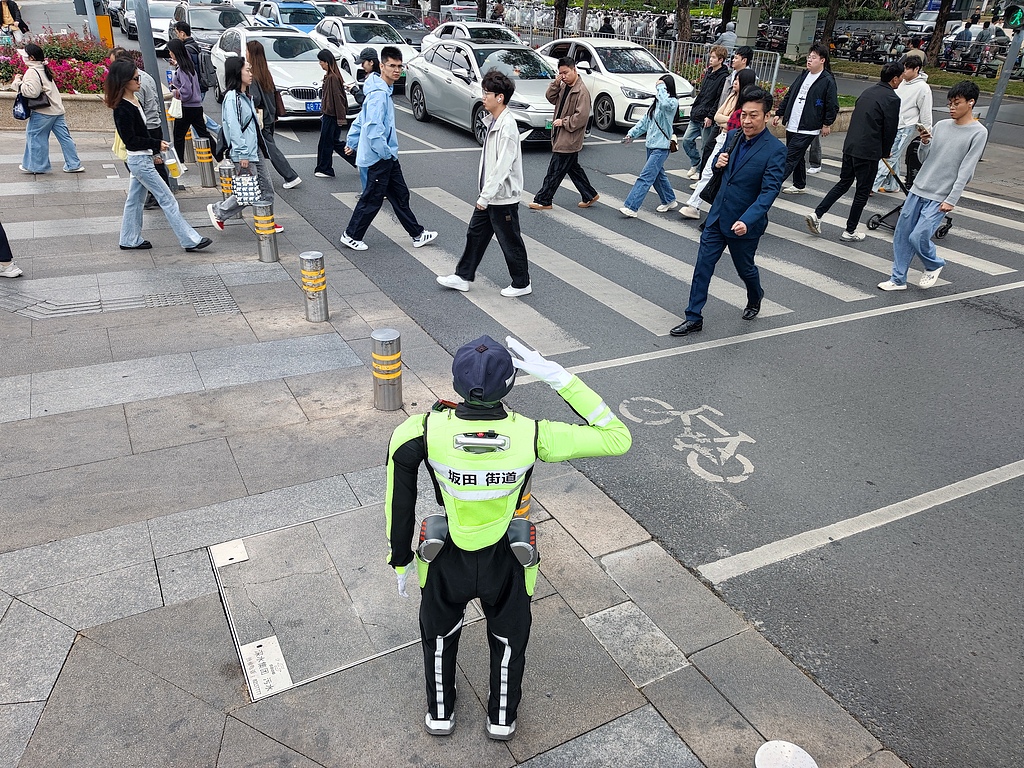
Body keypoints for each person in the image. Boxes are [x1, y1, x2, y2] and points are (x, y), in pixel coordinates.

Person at [384, 333, 631, 740]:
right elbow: (617, 437)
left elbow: (400, 498)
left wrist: (400, 558)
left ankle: (440, 713)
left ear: (456, 383)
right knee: (509, 642)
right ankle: (501, 719)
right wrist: (559, 378)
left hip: (446, 557)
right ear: (510, 384)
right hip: (507, 559)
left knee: (439, 638)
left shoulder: (420, 430)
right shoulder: (533, 433)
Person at [670, 88, 785, 336]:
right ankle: (693, 317)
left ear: (766, 116)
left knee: (745, 269)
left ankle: (755, 295)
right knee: (702, 267)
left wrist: (747, 220)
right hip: (717, 217)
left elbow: (769, 192)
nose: (747, 121)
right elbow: (718, 169)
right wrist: (717, 163)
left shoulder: (775, 150)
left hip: (743, 224)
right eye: (743, 115)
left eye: (753, 115)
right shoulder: (733, 136)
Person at [879, 81, 986, 291]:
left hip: (940, 195)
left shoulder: (978, 132)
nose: (952, 107)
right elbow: (923, 159)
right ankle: (898, 279)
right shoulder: (941, 126)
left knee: (918, 236)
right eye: (950, 103)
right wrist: (925, 142)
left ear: (971, 102)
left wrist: (951, 199)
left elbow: (966, 170)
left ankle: (934, 263)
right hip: (919, 188)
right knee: (902, 235)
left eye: (957, 103)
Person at [436, 70, 531, 297]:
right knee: (475, 235)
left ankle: (522, 283)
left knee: (510, 241)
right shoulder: (494, 121)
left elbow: (502, 167)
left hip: (501, 197)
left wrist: (485, 196)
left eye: (487, 93)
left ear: (500, 97)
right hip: (491, 195)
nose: (483, 97)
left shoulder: (507, 127)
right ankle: (462, 276)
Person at [104, 60, 212, 252]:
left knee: (134, 201)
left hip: (142, 159)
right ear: (124, 81)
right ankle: (189, 240)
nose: (139, 81)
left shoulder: (134, 101)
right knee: (167, 199)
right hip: (139, 161)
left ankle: (129, 239)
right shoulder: (122, 108)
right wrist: (156, 145)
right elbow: (131, 140)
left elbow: (140, 134)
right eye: (136, 78)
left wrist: (154, 151)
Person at [339, 46, 437, 252]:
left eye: (399, 66)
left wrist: (352, 141)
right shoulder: (378, 95)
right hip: (379, 156)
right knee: (372, 199)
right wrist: (384, 153)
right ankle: (351, 235)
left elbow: (360, 119)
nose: (396, 70)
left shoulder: (382, 91)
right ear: (382, 66)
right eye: (392, 66)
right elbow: (372, 128)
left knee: (400, 195)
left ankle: (417, 234)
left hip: (387, 155)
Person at [805, 63, 902, 242]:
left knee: (844, 183)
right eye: (900, 77)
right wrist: (886, 151)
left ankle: (817, 214)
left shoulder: (867, 92)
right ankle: (850, 230)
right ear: (895, 79)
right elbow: (890, 128)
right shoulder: (892, 98)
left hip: (851, 146)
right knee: (862, 192)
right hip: (869, 150)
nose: (901, 80)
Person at [206, 57, 281, 233]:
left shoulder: (245, 97)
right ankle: (219, 211)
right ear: (237, 73)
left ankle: (266, 220)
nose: (251, 73)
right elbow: (233, 127)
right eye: (247, 70)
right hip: (245, 153)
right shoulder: (233, 98)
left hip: (254, 150)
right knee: (249, 191)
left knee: (266, 188)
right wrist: (242, 154)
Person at [679, 71, 756, 220]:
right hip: (722, 137)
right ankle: (694, 205)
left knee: (722, 176)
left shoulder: (747, 103)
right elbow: (717, 117)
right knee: (709, 172)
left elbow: (736, 124)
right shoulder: (732, 96)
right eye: (735, 79)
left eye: (738, 80)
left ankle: (697, 206)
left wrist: (725, 120)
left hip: (734, 140)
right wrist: (726, 120)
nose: (734, 82)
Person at [528, 58, 598, 211]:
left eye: (566, 73)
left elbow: (581, 117)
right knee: (573, 168)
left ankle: (544, 199)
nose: (563, 76)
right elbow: (550, 97)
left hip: (569, 137)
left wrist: (563, 122)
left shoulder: (581, 91)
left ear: (574, 70)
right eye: (561, 73)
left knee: (555, 170)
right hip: (561, 134)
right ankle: (589, 194)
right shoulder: (564, 86)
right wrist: (556, 82)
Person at [773, 44, 838, 195]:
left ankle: (770, 186)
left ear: (822, 60)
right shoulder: (804, 75)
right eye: (809, 57)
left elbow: (832, 104)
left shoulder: (827, 80)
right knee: (798, 156)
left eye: (813, 57)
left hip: (809, 126)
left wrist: (827, 123)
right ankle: (799, 184)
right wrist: (780, 113)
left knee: (789, 156)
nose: (809, 60)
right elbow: (790, 95)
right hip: (793, 123)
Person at [110, 47, 167, 210]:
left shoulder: (133, 84)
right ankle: (157, 193)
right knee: (134, 200)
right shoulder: (145, 76)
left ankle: (158, 194)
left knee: (155, 167)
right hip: (153, 123)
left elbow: (136, 111)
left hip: (147, 127)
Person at [14, 44, 83, 175]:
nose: (22, 57)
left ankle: (37, 166)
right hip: (57, 109)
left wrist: (18, 83)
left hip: (43, 111)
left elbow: (32, 92)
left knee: (35, 137)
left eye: (24, 55)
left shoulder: (32, 71)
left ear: (31, 57)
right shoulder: (43, 68)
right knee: (65, 138)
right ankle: (74, 164)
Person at [619, 75, 679, 217]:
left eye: (662, 87)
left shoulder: (672, 102)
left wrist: (660, 87)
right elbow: (645, 122)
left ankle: (631, 207)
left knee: (645, 177)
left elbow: (665, 104)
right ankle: (669, 200)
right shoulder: (656, 103)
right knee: (657, 175)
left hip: (662, 147)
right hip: (651, 145)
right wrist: (631, 134)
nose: (658, 90)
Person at [247, 40, 301, 189]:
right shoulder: (265, 72)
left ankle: (291, 176)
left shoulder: (253, 75)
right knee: (263, 148)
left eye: (247, 51)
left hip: (261, 118)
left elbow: (256, 99)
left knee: (270, 149)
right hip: (269, 115)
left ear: (251, 54)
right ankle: (257, 177)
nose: (245, 53)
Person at [873, 58, 932, 193]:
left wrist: (926, 132)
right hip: (893, 123)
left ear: (916, 69)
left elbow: (926, 112)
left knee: (890, 156)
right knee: (894, 155)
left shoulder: (923, 88)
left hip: (906, 126)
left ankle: (872, 184)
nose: (904, 71)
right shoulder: (901, 82)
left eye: (907, 68)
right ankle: (893, 185)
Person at [680, 45, 729, 179]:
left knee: (705, 146)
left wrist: (710, 116)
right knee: (686, 140)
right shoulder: (709, 72)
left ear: (721, 60)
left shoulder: (724, 77)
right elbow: (702, 93)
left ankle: (702, 172)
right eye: (710, 57)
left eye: (713, 57)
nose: (710, 59)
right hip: (697, 112)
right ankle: (696, 162)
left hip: (707, 116)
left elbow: (718, 99)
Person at [166, 38, 212, 166]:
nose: (169, 53)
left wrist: (175, 92)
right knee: (204, 134)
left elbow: (186, 91)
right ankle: (219, 157)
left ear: (175, 52)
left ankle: (180, 162)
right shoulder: (189, 66)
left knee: (178, 136)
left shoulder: (182, 70)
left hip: (186, 107)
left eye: (170, 51)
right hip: (196, 107)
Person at [313, 49, 350, 179]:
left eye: (321, 61)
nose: (320, 64)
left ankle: (325, 169)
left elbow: (338, 98)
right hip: (329, 115)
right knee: (333, 142)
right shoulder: (330, 76)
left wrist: (341, 118)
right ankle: (357, 159)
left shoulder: (332, 78)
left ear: (327, 62)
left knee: (326, 143)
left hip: (331, 116)